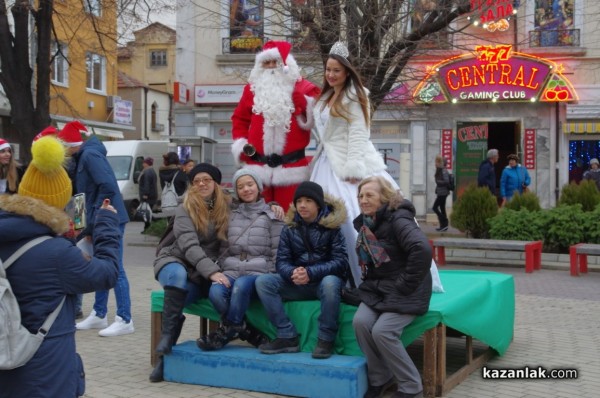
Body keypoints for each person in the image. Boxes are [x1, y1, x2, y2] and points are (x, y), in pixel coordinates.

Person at [0, 135, 121, 398]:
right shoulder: (57, 253)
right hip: (44, 369)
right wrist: (107, 225)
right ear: (61, 200)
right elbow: (107, 273)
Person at [309, 41, 398, 286]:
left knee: (351, 217)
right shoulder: (325, 96)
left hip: (350, 162)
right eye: (328, 69)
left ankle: (366, 278)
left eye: (336, 70)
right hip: (325, 163)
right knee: (322, 218)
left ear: (347, 71)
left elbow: (359, 133)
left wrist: (353, 167)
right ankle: (329, 275)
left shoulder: (356, 96)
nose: (331, 74)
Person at [352, 176, 432, 398]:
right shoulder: (367, 223)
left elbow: (422, 249)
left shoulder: (399, 219)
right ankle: (381, 378)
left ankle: (411, 387)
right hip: (381, 288)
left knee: (383, 332)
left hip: (409, 289)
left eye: (369, 195)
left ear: (384, 197)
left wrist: (405, 284)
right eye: (360, 196)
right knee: (360, 322)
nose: (363, 200)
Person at [150, 163, 230, 382]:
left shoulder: (227, 206)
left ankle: (164, 359)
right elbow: (189, 246)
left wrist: (273, 205)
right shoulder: (185, 207)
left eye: (206, 179)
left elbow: (252, 201)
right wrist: (213, 272)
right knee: (178, 277)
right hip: (175, 259)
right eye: (196, 181)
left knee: (180, 296)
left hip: (199, 271)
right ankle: (165, 342)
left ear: (216, 183)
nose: (202, 184)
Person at [255, 181, 349, 359]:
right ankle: (286, 335)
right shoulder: (290, 228)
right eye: (299, 201)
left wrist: (311, 273)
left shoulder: (332, 227)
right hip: (297, 283)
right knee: (263, 282)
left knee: (330, 283)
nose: (302, 205)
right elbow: (281, 261)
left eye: (308, 201)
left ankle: (326, 339)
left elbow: (340, 261)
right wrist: (292, 273)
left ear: (318, 204)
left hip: (323, 282)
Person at [57, 123, 135, 337]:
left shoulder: (89, 155)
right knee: (103, 264)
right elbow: (85, 194)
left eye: (63, 145)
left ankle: (125, 318)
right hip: (102, 218)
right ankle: (99, 314)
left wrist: (97, 219)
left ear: (72, 144)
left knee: (115, 267)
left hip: (109, 218)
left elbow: (107, 186)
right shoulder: (84, 155)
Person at [197, 168, 283, 351]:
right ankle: (242, 329)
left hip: (259, 270)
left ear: (258, 187)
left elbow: (278, 249)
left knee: (241, 286)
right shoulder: (230, 215)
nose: (246, 189)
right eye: (241, 186)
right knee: (216, 292)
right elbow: (223, 247)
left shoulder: (272, 215)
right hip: (231, 268)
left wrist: (272, 273)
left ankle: (227, 330)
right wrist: (220, 269)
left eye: (250, 184)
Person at [231, 40, 320, 210]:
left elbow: (322, 121)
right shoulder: (251, 90)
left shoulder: (305, 88)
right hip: (257, 169)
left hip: (292, 170)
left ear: (286, 64)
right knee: (258, 219)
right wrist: (241, 146)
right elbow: (239, 119)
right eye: (267, 62)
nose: (272, 67)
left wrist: (306, 105)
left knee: (291, 218)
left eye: (276, 62)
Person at [139, 157, 158, 230]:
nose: (142, 164)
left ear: (146, 163)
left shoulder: (147, 172)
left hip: (148, 196)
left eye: (144, 163)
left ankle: (147, 228)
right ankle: (149, 227)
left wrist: (145, 194)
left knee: (146, 212)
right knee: (148, 212)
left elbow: (146, 184)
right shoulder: (152, 171)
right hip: (153, 195)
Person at [432, 155, 451, 232]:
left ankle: (444, 221)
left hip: (443, 193)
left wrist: (438, 182)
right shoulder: (439, 170)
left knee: (435, 207)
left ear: (439, 162)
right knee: (442, 208)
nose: (435, 163)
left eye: (436, 162)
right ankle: (444, 226)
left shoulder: (443, 170)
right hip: (440, 192)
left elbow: (446, 181)